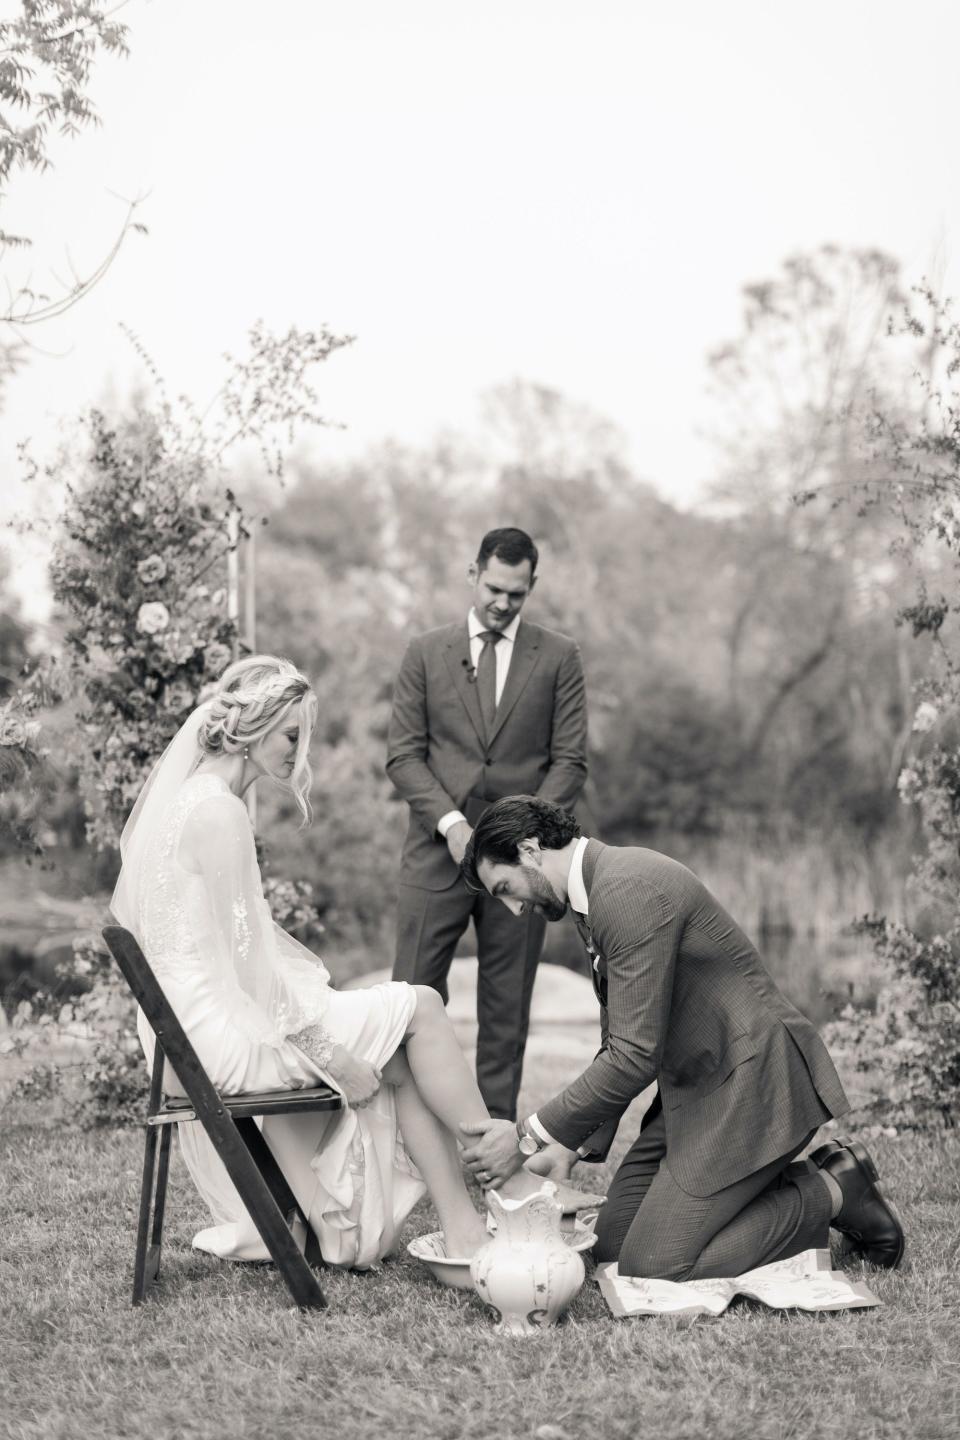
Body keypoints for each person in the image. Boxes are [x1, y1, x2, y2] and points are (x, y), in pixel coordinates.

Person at [111, 654, 559, 1271]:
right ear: (256, 725)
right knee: (422, 1005)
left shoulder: (188, 803)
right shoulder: (218, 812)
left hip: (185, 1033)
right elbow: (252, 975)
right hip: (217, 1039)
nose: (299, 754)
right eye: (292, 736)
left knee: (402, 1046)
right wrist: (331, 1054)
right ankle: (500, 1188)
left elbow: (234, 954)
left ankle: (460, 1228)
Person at [458, 795, 906, 1280]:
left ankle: (835, 1189)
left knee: (654, 1264)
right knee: (611, 1246)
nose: (515, 908)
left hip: (752, 1084)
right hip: (694, 1092)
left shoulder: (626, 891)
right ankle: (764, 1189)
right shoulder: (593, 898)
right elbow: (620, 1039)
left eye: (505, 888)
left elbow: (633, 1057)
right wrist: (570, 1145)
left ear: (529, 849)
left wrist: (526, 1136)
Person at [387, 527, 588, 1120]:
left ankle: (492, 1144)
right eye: (495, 588)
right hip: (434, 856)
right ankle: (408, 1135)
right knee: (410, 1001)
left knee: (507, 1008)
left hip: (523, 866)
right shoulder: (424, 652)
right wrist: (450, 825)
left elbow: (570, 760)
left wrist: (525, 838)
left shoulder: (559, 656)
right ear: (472, 573)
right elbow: (403, 756)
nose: (503, 603)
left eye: (517, 594)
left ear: (532, 586)